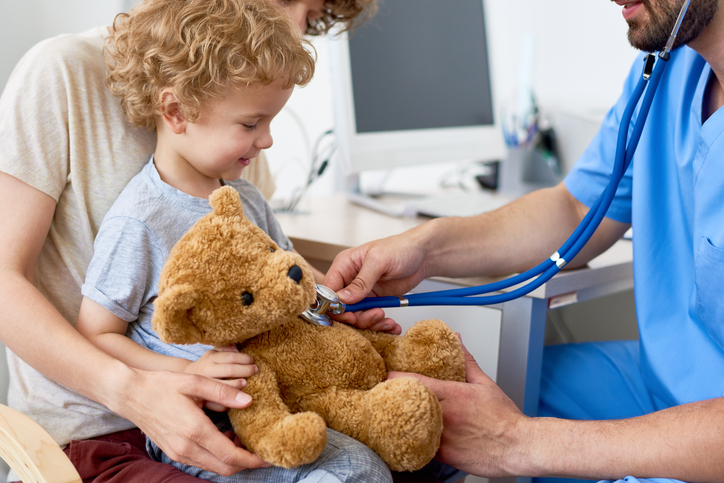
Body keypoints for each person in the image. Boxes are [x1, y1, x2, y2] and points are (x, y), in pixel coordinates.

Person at [323, 0, 724, 482]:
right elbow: (577, 209)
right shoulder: (671, 71)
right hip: (661, 382)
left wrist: (519, 442)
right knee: (448, 399)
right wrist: (426, 248)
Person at [0, 0, 378, 481]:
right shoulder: (63, 74)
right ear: (175, 110)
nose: (296, 26)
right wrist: (139, 389)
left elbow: (266, 273)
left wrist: (339, 304)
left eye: (312, 11)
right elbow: (3, 281)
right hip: (100, 433)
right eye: (285, 0)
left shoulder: (240, 119)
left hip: (239, 405)